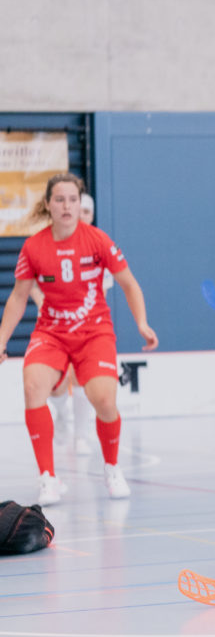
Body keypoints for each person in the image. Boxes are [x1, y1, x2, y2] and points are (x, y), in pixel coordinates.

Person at [0, 174, 158, 505]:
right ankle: (48, 478)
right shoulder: (33, 247)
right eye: (59, 199)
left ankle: (112, 468)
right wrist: (2, 340)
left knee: (104, 400)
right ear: (48, 204)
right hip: (51, 333)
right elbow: (18, 297)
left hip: (94, 332)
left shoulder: (97, 240)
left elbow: (129, 283)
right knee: (32, 386)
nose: (67, 206)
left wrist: (142, 323)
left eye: (73, 199)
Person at [36, 192, 111, 456]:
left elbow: (102, 291)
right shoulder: (48, 243)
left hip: (86, 327)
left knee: (81, 378)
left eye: (88, 212)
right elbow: (30, 282)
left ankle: (81, 435)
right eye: (81, 211)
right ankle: (61, 415)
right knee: (56, 382)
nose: (83, 216)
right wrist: (44, 304)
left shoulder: (99, 245)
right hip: (54, 326)